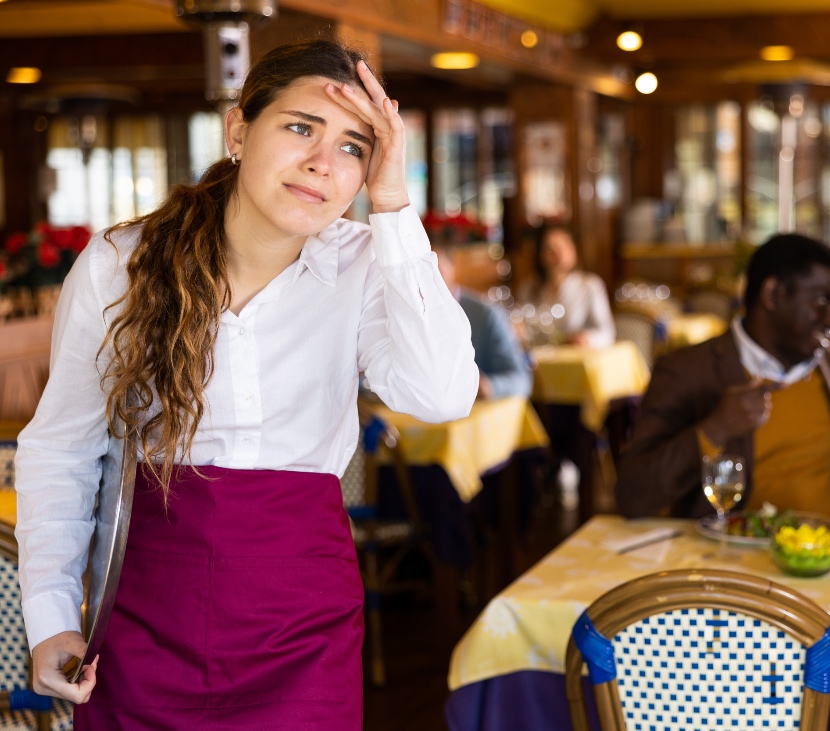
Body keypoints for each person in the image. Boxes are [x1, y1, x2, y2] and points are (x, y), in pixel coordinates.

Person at [17, 40, 477, 728]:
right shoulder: (121, 263)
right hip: (146, 612)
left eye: (355, 146)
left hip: (304, 618)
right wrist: (52, 616)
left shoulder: (366, 264)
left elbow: (441, 394)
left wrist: (393, 205)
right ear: (238, 130)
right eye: (300, 128)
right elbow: (61, 447)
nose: (323, 162)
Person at [614, 234, 830, 526]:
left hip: (825, 557)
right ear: (772, 295)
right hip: (731, 559)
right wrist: (715, 428)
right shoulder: (686, 371)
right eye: (820, 300)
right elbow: (633, 495)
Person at [433, 241, 532, 399]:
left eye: (433, 267)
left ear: (454, 266)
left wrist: (490, 386)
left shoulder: (487, 315)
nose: (425, 278)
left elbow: (521, 381)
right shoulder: (404, 316)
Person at [517, 225, 615, 347]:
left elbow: (607, 332)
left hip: (576, 359)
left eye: (564, 246)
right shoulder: (528, 288)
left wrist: (587, 339)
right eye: (550, 249)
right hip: (539, 359)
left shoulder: (589, 285)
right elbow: (522, 326)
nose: (559, 254)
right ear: (540, 255)